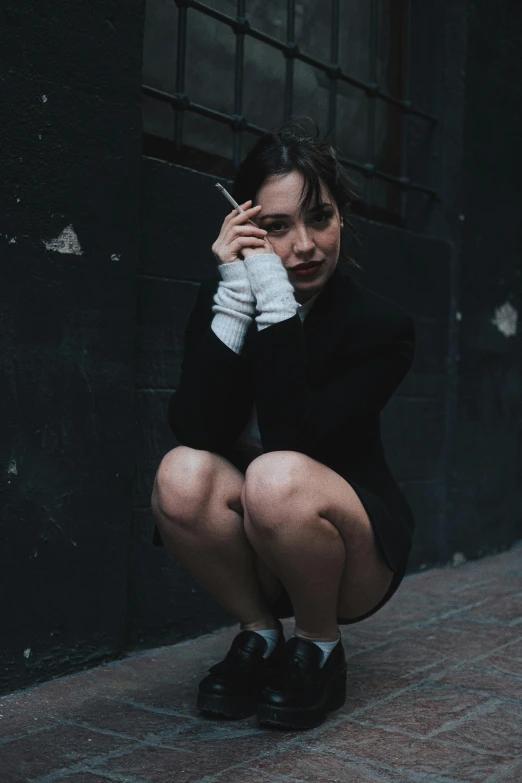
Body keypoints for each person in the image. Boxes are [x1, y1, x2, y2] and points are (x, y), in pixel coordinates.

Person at [150, 119, 416, 731]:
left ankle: (320, 648)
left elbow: (295, 438)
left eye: (319, 218)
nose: (305, 246)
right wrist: (237, 299)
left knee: (275, 475)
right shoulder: (231, 296)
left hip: (349, 555)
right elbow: (194, 425)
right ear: (245, 228)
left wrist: (273, 296)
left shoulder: (383, 329)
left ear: (342, 218)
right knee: (180, 474)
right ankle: (261, 635)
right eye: (276, 226)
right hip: (258, 547)